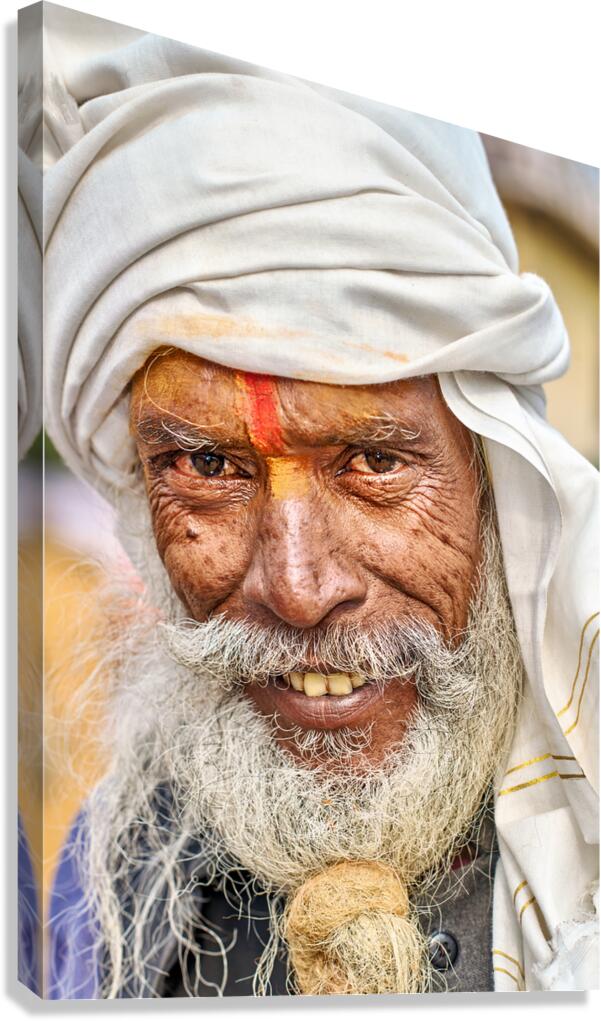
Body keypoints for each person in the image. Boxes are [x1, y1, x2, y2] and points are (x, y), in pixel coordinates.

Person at [38, 6, 597, 998]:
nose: (299, 585)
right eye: (208, 467)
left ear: (491, 471)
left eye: (374, 460)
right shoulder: (117, 876)